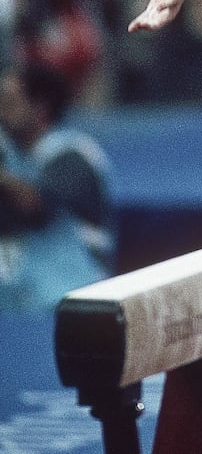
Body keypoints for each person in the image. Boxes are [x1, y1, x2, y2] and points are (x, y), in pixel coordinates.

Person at [0, 60, 114, 311]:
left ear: (41, 107)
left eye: (8, 102)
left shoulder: (74, 154)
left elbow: (37, 206)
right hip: (17, 310)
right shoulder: (9, 156)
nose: (1, 111)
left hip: (75, 305)